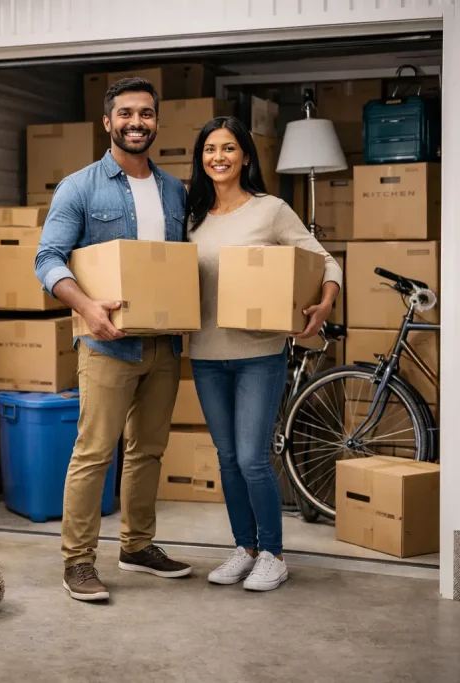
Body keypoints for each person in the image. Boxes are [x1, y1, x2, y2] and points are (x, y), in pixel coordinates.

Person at [34, 77, 192, 602]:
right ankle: (77, 561)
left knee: (147, 450)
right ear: (108, 122)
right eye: (126, 114)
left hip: (163, 343)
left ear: (155, 121)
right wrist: (87, 308)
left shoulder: (174, 190)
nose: (136, 123)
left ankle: (137, 545)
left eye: (146, 114)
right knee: (94, 452)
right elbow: (47, 259)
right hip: (106, 342)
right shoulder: (80, 187)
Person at [185, 116, 342, 592]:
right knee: (228, 457)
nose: (218, 157)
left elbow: (324, 260)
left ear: (246, 157)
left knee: (253, 457)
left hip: (260, 352)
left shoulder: (270, 210)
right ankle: (244, 547)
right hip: (206, 354)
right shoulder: (191, 217)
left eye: (229, 148)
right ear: (201, 158)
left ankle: (273, 553)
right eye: (210, 149)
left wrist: (325, 301)